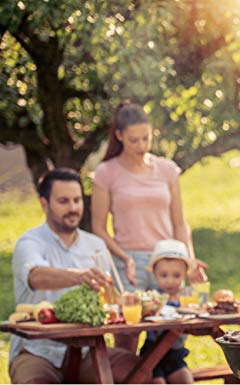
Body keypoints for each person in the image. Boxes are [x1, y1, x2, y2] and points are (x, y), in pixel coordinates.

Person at [9, 168, 142, 384]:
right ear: (45, 204)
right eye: (63, 201)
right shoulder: (30, 243)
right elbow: (36, 276)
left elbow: (111, 300)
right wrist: (79, 276)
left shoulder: (95, 245)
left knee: (142, 373)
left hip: (88, 352)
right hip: (37, 351)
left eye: (77, 200)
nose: (73, 208)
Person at [91, 101, 207, 293]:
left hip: (168, 260)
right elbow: (99, 228)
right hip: (128, 261)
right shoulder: (106, 172)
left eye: (146, 138)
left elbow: (179, 223)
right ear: (119, 136)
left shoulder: (167, 169)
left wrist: (189, 260)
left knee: (173, 318)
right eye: (134, 140)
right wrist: (125, 258)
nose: (142, 146)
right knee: (131, 317)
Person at [140, 239, 195, 384]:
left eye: (176, 276)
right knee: (158, 382)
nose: (170, 281)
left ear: (185, 274)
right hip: (152, 355)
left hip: (175, 355)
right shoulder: (152, 300)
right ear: (154, 274)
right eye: (164, 275)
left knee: (185, 379)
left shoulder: (187, 300)